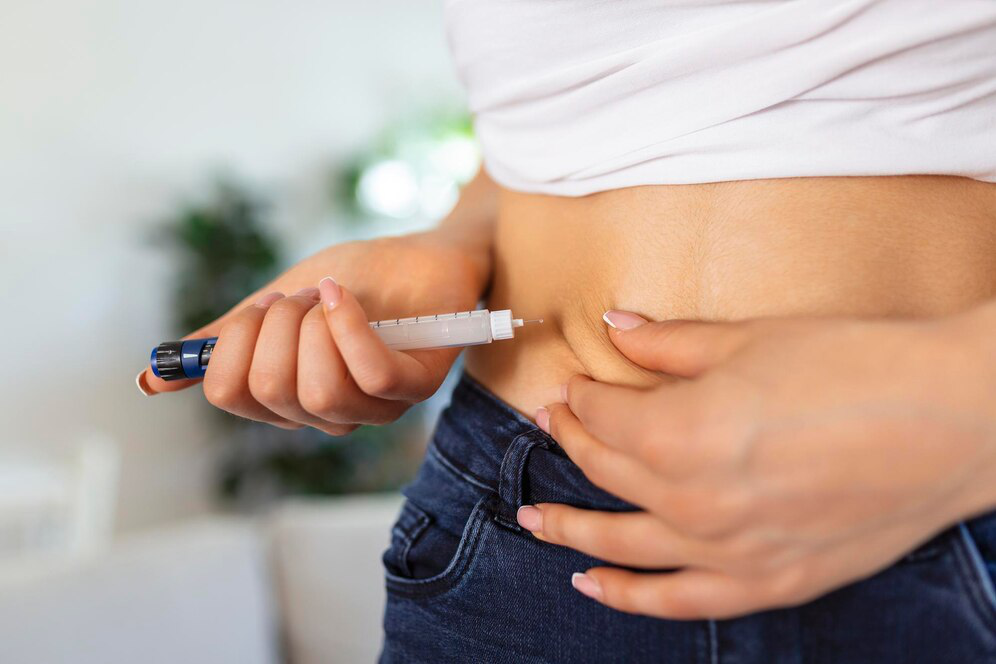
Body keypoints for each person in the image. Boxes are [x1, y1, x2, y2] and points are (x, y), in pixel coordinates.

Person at [137, 2, 996, 661]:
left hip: (940, 502)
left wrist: (958, 412)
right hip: (524, 530)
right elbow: (550, 119)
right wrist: (454, 240)